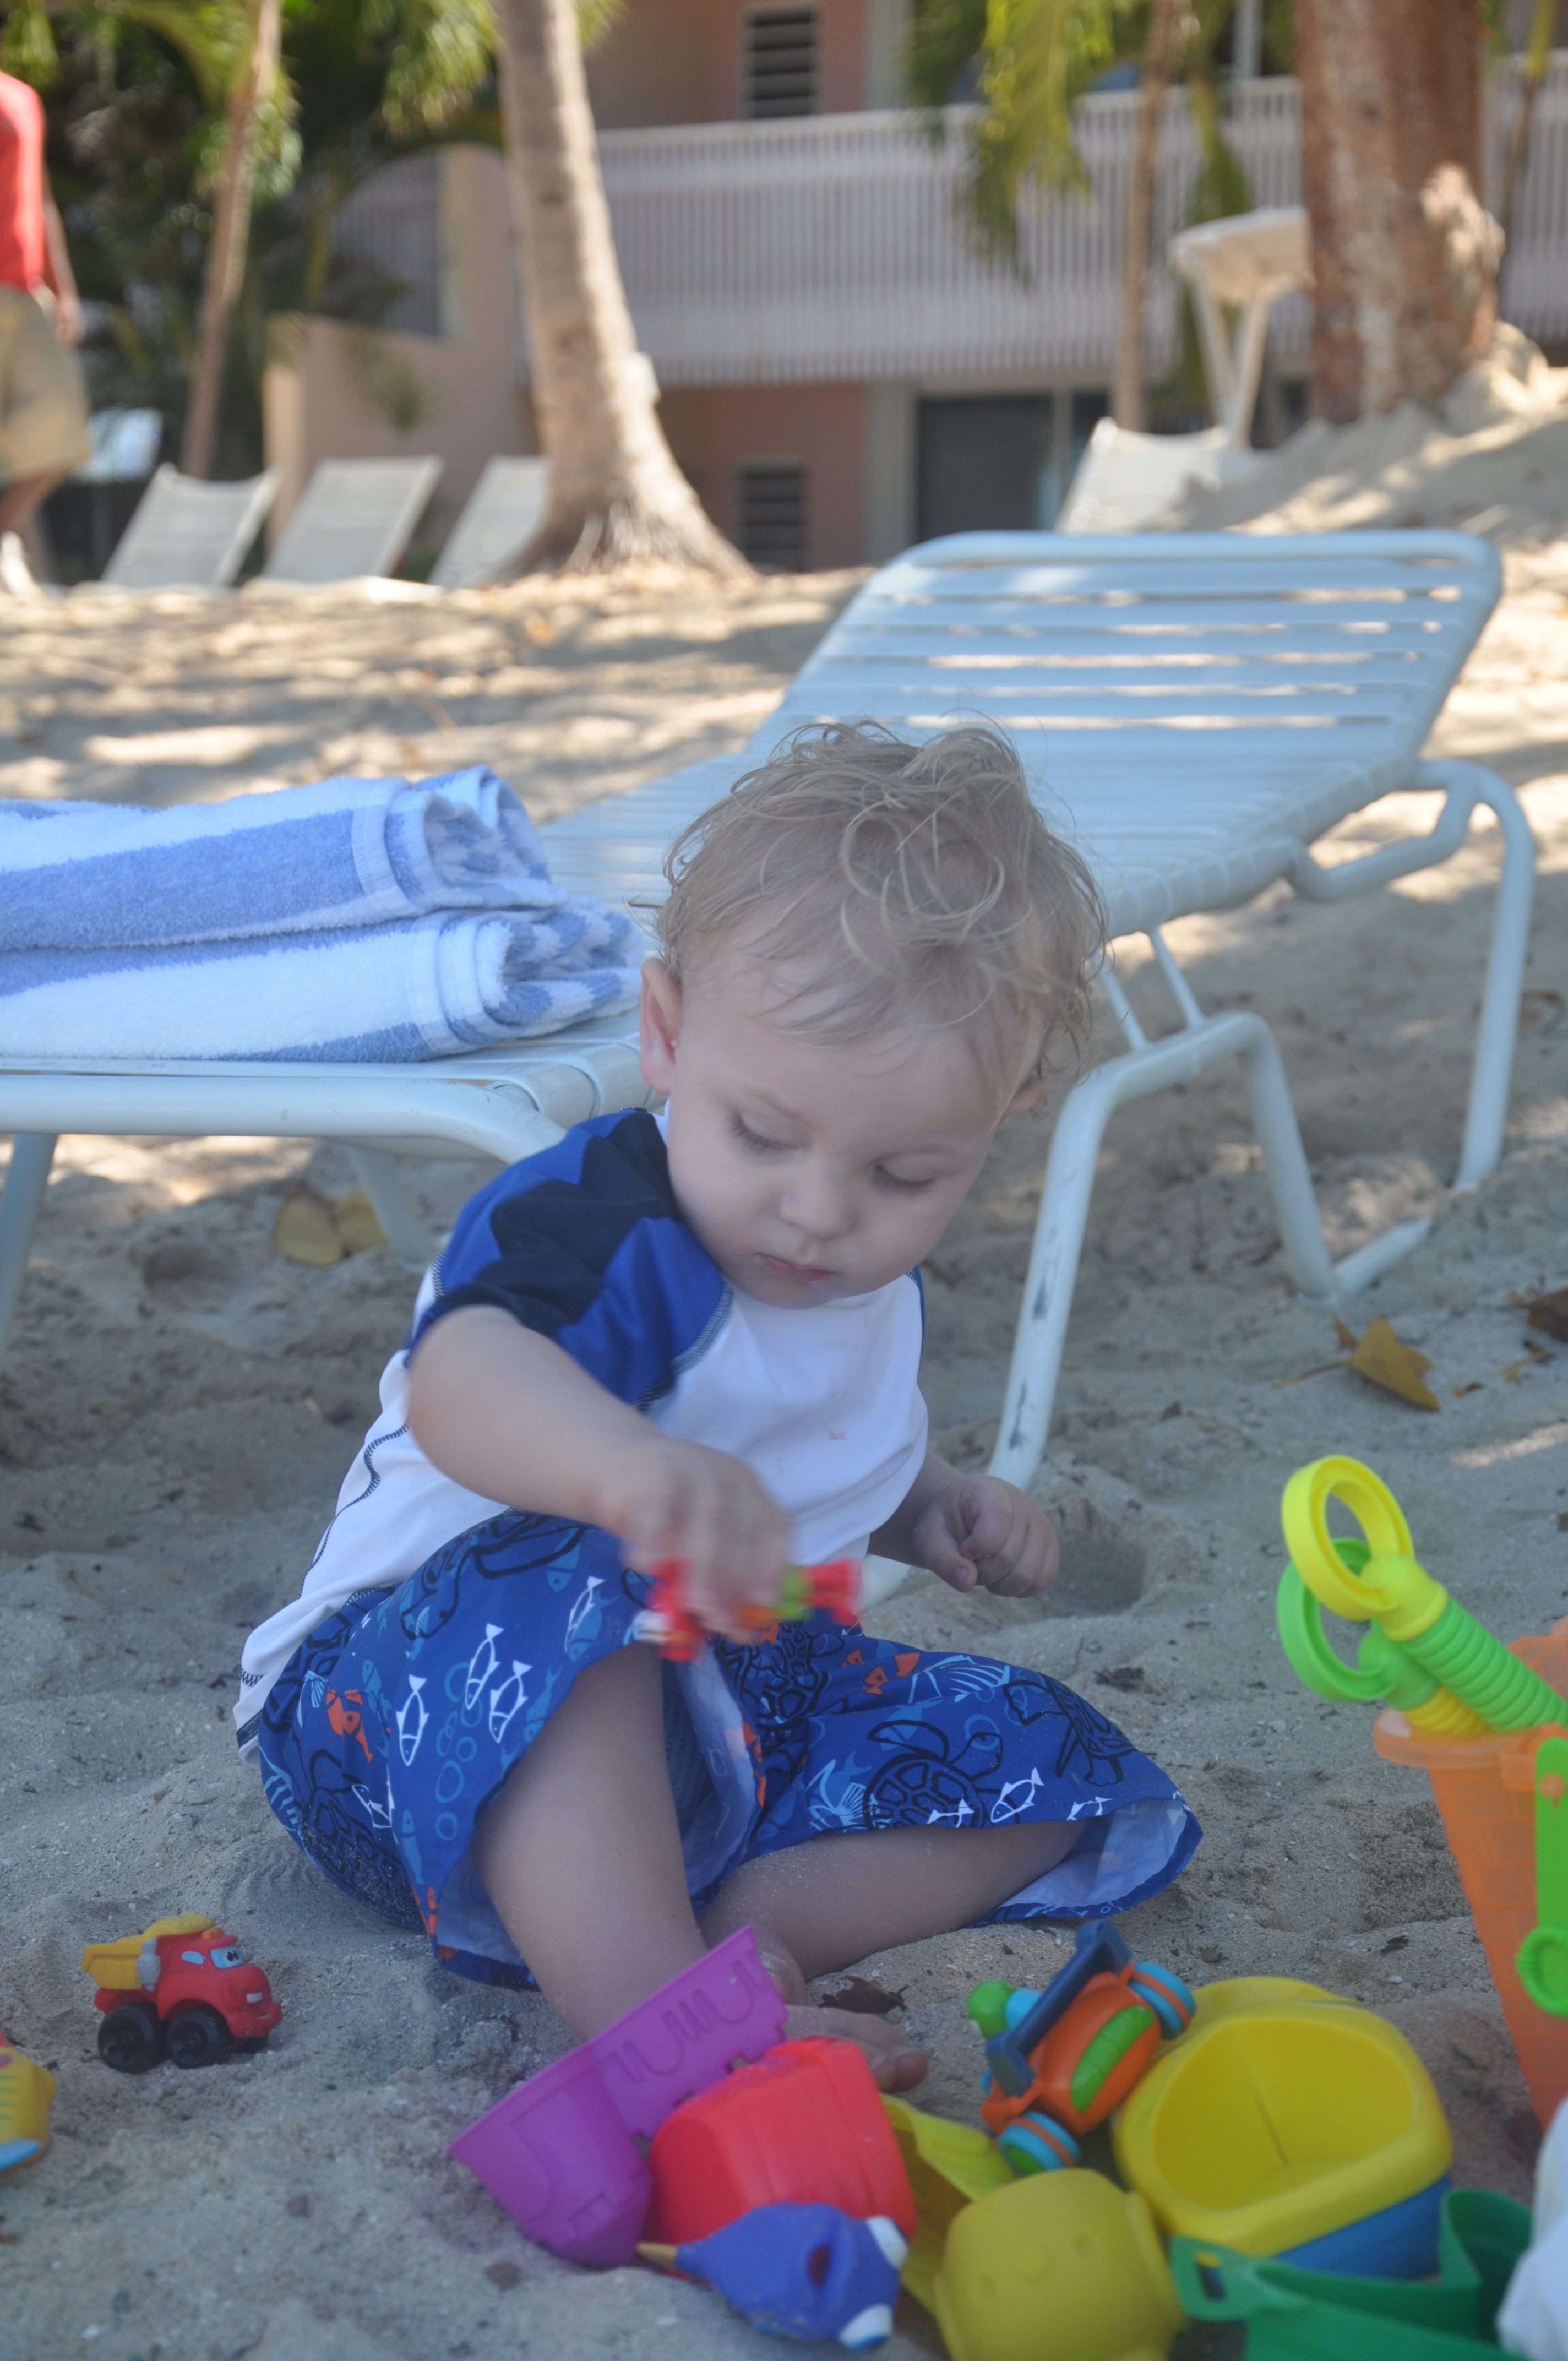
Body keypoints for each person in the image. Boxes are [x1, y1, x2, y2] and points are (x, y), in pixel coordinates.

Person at [239, 722, 1200, 2089]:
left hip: (703, 1734)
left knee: (1043, 1753)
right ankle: (661, 2016)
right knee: (581, 1569)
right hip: (396, 1721)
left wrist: (931, 1504)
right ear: (666, 1033)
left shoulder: (858, 1280)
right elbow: (462, 1382)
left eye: (904, 1173)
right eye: (763, 1133)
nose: (818, 1209)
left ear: (1001, 1116)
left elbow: (814, 1445)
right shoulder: (604, 1222)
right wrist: (625, 1471)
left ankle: (745, 1932)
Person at [0, 68, 89, 595]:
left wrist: (65, 290)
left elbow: (40, 196)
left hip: (26, 293)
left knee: (62, 429)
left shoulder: (23, 98)